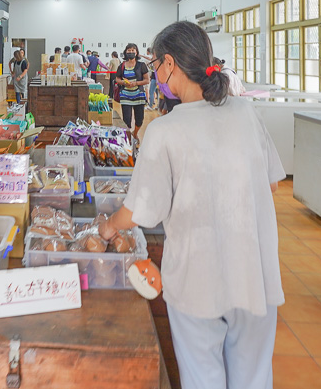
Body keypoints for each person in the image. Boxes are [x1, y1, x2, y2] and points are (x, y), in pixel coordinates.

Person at [99, 21, 284, 389]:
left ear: (169, 64)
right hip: (254, 275)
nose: (155, 73)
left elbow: (140, 211)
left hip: (198, 277)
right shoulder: (246, 114)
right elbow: (273, 183)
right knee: (253, 380)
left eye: (155, 64)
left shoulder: (165, 130)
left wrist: (108, 227)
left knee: (204, 379)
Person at [115, 43, 149, 141]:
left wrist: (136, 83)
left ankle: (135, 133)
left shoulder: (141, 65)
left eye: (133, 50)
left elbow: (147, 80)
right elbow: (117, 78)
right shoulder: (122, 65)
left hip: (139, 95)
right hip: (125, 96)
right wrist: (123, 82)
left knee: (139, 119)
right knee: (126, 119)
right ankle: (128, 138)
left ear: (136, 52)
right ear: (125, 52)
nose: (131, 52)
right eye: (129, 51)